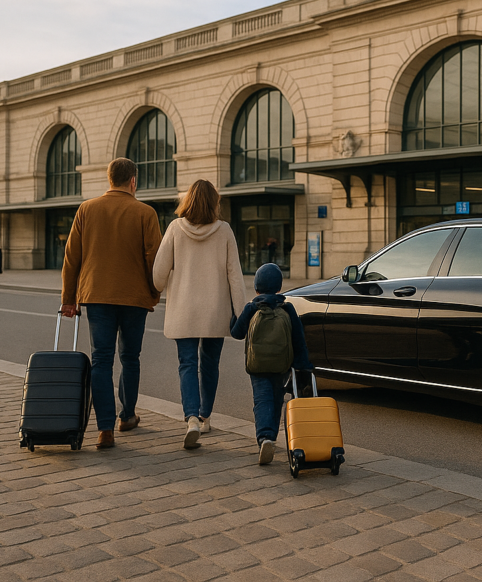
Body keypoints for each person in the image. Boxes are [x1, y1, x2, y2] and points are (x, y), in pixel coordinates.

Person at [61, 157, 162, 450]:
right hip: (134, 298)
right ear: (133, 181)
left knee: (101, 360)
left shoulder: (86, 209)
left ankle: (105, 429)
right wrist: (153, 293)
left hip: (97, 296)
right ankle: (127, 416)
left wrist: (70, 299)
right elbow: (154, 259)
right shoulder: (146, 213)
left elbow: (72, 258)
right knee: (131, 357)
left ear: (109, 180)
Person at [152, 180, 247, 449]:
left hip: (184, 311)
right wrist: (241, 314)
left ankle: (191, 417)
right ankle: (205, 416)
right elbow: (235, 276)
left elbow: (159, 275)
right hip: (215, 311)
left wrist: (159, 287)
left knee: (187, 364)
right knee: (210, 364)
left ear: (188, 201)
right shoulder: (225, 231)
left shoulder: (174, 229)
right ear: (214, 203)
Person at [230, 263, 313, 465]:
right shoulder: (287, 308)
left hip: (257, 365)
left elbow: (237, 333)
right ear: (279, 287)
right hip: (281, 365)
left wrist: (233, 316)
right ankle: (271, 437)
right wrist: (303, 366)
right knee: (276, 400)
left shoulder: (252, 307)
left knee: (262, 400)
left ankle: (264, 438)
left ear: (257, 287)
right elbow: (298, 340)